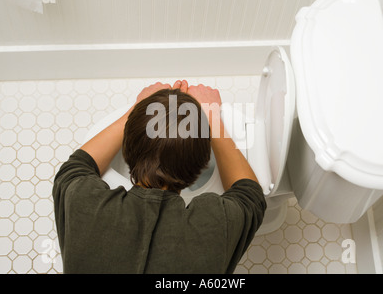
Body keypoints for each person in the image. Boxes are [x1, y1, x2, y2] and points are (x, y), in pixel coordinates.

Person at [52, 80, 266, 274]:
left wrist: (136, 110)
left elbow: (76, 167)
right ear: (201, 166)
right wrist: (212, 119)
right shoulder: (217, 226)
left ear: (127, 151)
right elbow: (250, 195)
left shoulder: (82, 202)